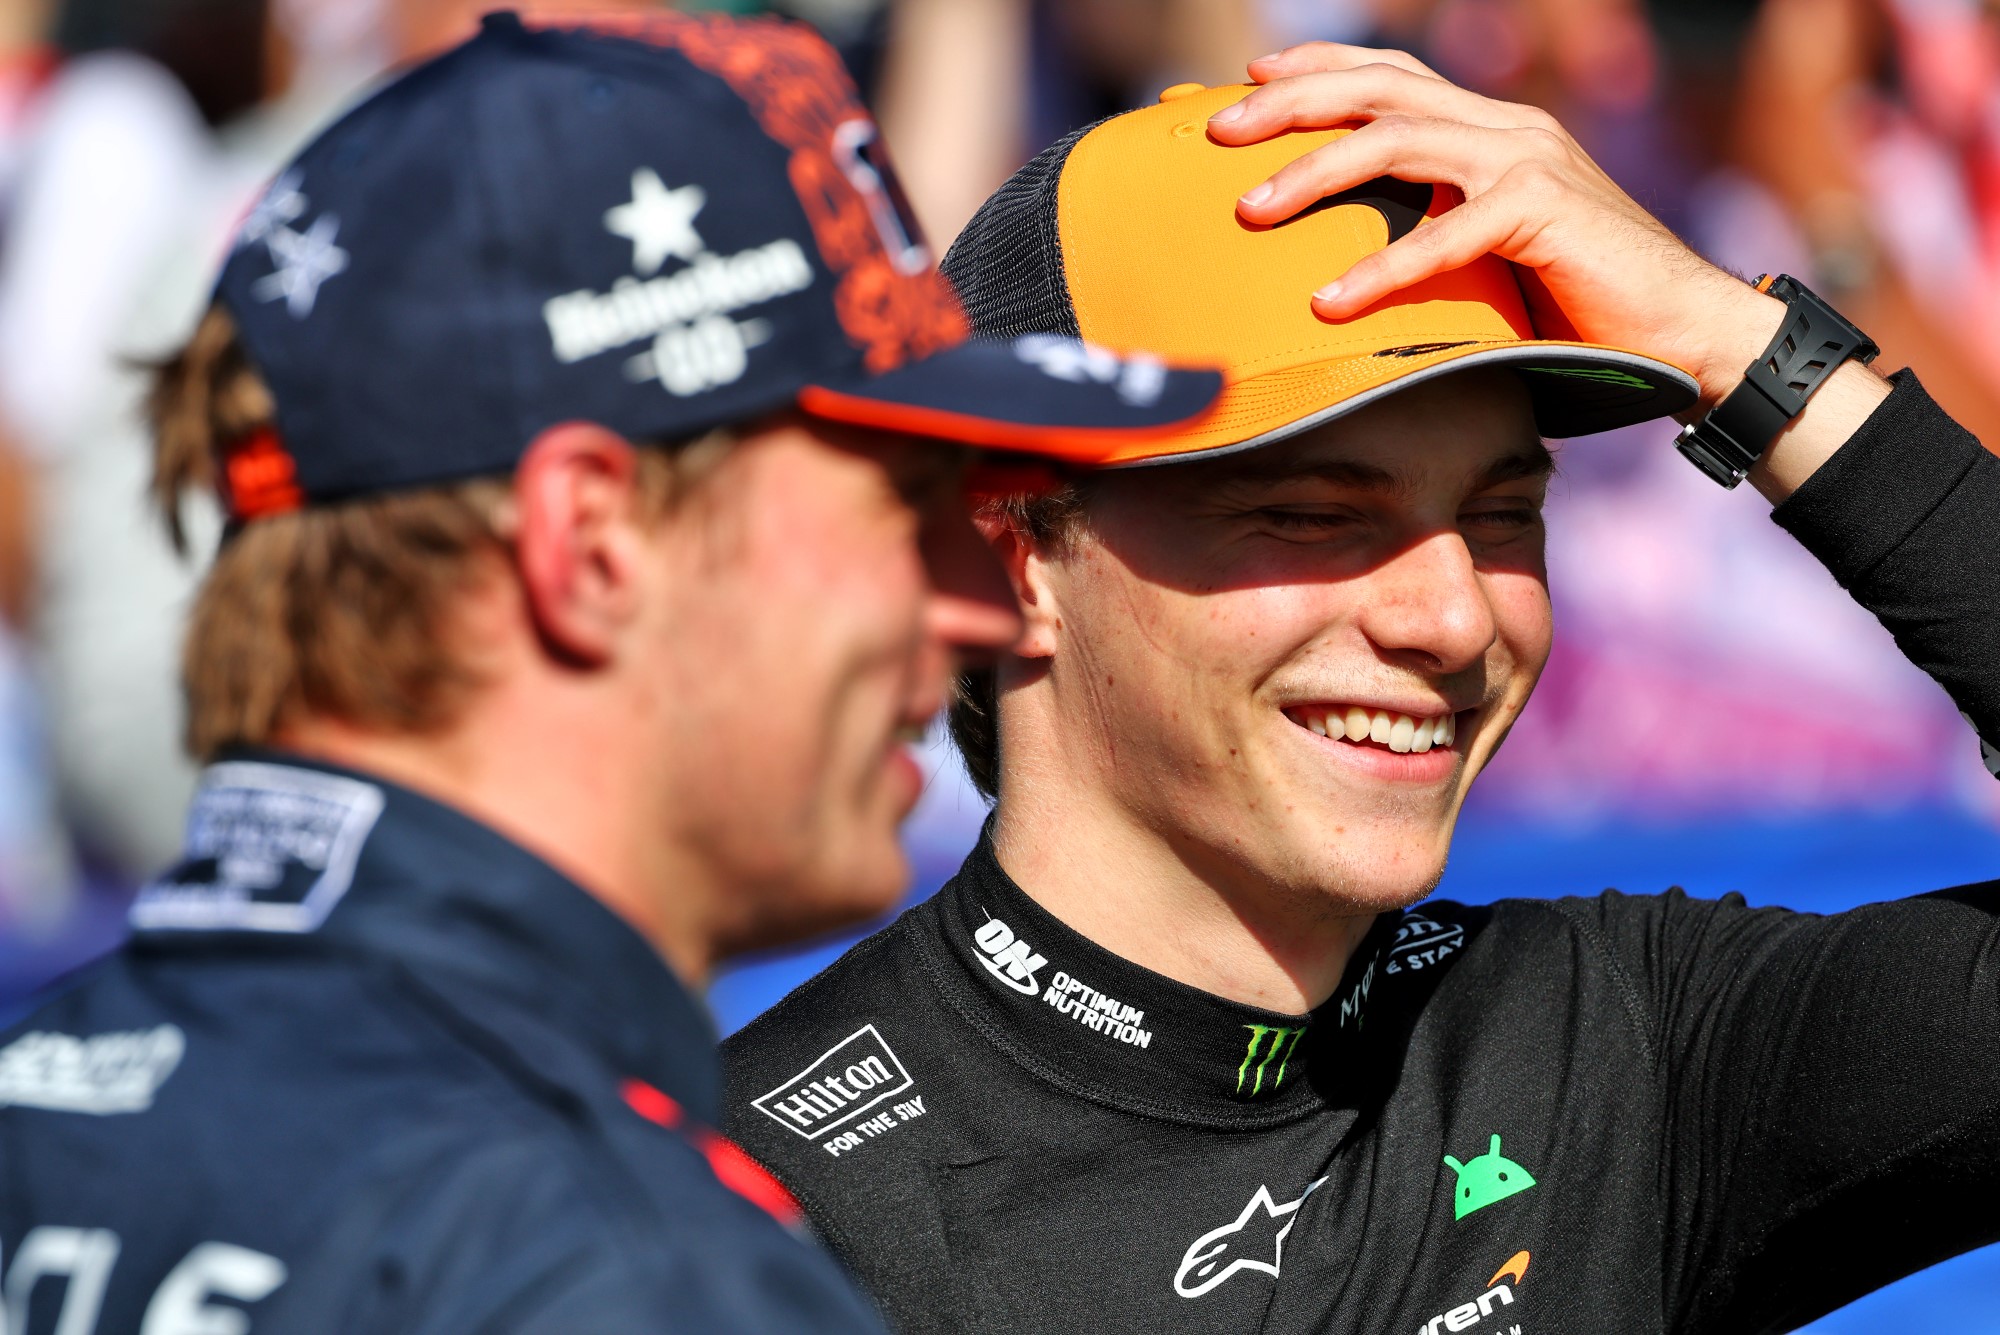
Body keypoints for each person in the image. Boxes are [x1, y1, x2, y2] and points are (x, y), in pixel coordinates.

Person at [722, 41, 2000, 1335]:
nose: (1451, 617)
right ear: (1019, 563)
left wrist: (1740, 349)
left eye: (1503, 517)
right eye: (1311, 515)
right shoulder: (750, 1223)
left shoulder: (1618, 1049)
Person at [0, 11, 1218, 1331]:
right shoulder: (633, 1272)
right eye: (909, 498)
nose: (993, 603)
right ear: (590, 545)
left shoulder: (46, 1104)